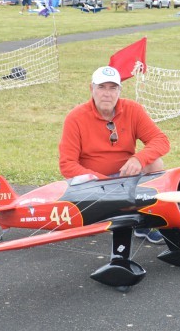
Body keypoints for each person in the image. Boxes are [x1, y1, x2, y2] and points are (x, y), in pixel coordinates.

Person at [59, 66, 170, 243]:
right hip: (92, 185)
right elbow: (67, 165)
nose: (107, 94)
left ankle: (145, 224)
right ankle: (95, 216)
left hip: (125, 178)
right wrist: (102, 182)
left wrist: (139, 159)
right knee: (88, 226)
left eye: (113, 88)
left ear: (119, 90)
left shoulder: (133, 109)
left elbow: (161, 140)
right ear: (91, 89)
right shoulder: (75, 117)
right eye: (101, 87)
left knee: (155, 163)